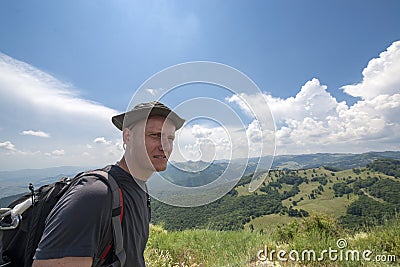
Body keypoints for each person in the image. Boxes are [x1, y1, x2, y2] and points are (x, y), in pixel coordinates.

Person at [32, 101, 185, 267]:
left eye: (170, 138)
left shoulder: (141, 188)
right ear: (127, 137)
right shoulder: (95, 194)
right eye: (155, 135)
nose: (166, 146)